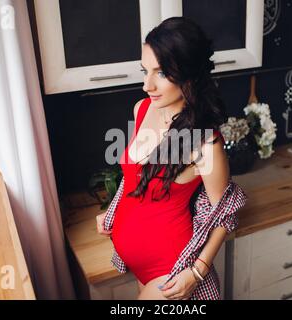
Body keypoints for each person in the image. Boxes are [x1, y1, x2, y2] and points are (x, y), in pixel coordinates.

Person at [96, 17, 234, 300]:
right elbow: (136, 176)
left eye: (161, 73)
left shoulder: (206, 143)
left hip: (171, 272)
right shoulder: (142, 109)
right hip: (141, 269)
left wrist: (195, 273)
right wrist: (113, 210)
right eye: (144, 71)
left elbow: (225, 215)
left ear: (189, 74)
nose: (147, 85)